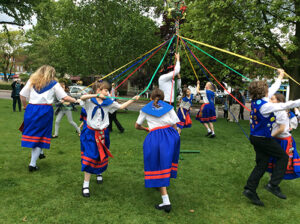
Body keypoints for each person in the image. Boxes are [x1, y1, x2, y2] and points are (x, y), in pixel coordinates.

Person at [243, 69, 300, 206]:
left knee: (261, 164)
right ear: (264, 92)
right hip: (262, 139)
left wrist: (280, 76)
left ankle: (250, 189)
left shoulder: (258, 101)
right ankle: (273, 185)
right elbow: (286, 105)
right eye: (267, 89)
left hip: (256, 137)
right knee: (283, 157)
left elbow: (274, 88)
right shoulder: (266, 106)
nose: (270, 90)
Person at [79, 81, 139, 197]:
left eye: (108, 90)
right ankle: (85, 185)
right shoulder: (89, 101)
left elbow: (121, 106)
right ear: (98, 90)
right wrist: (95, 96)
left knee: (101, 155)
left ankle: (99, 172)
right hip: (90, 134)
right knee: (90, 156)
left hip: (103, 133)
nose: (108, 92)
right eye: (106, 90)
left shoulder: (108, 102)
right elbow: (82, 97)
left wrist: (133, 99)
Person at [20, 65, 78, 171]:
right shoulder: (54, 84)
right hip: (45, 110)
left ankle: (40, 153)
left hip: (31, 109)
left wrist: (25, 106)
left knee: (35, 133)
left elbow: (22, 95)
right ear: (51, 74)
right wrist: (76, 100)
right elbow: (64, 97)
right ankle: (32, 164)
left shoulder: (31, 81)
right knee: (40, 135)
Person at [135, 89, 180, 213]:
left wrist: (146, 129)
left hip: (155, 137)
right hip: (171, 136)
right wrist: (176, 135)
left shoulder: (145, 109)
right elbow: (175, 124)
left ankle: (166, 201)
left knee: (157, 166)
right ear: (163, 97)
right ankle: (161, 182)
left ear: (151, 98)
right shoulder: (169, 107)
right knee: (165, 162)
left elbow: (136, 125)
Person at [267, 93, 300, 180]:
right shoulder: (273, 111)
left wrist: (269, 136)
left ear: (279, 101)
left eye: (272, 99)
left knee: (283, 160)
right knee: (272, 159)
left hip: (284, 141)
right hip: (275, 138)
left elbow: (282, 129)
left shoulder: (282, 112)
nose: (270, 100)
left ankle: (275, 181)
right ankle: (272, 180)